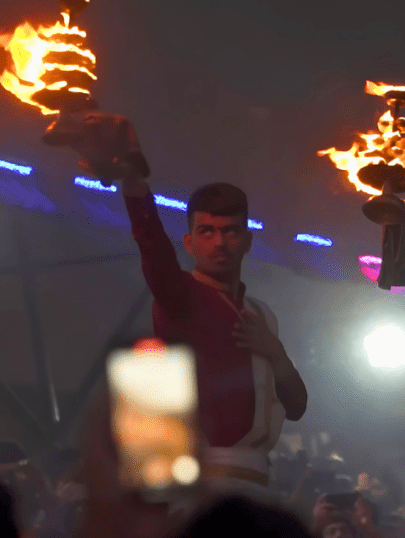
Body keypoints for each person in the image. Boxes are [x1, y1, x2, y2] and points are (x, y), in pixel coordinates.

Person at [69, 114, 308, 500]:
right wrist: (134, 182)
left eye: (230, 231)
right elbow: (152, 247)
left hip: (259, 484)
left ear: (247, 241)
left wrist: (277, 357)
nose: (219, 243)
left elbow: (296, 407)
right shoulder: (182, 295)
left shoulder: (263, 315)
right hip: (200, 483)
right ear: (189, 242)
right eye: (207, 231)